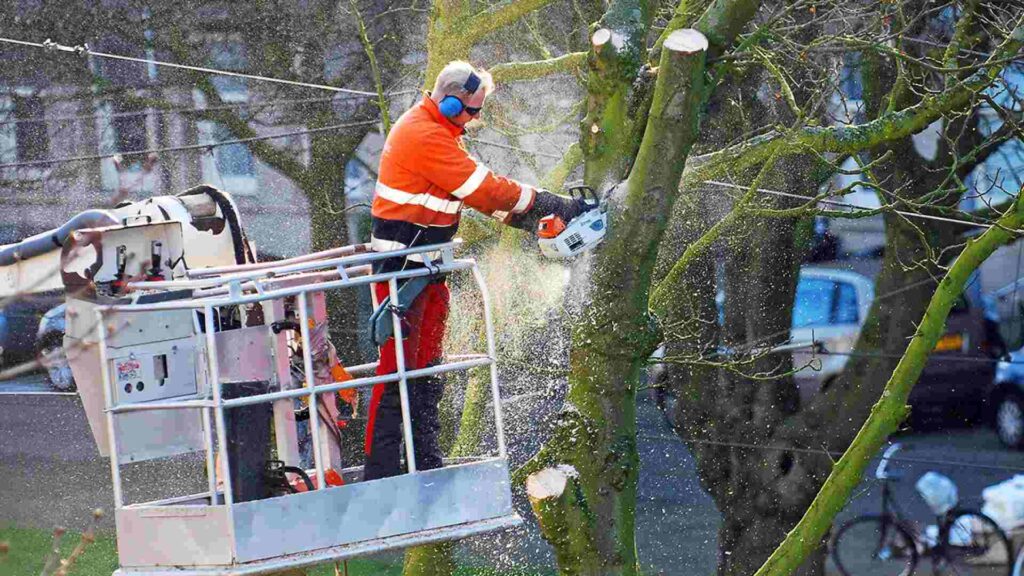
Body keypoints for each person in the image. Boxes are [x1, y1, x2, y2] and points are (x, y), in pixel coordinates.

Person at [363, 60, 583, 480]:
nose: (475, 120)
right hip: (400, 271)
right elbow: (483, 187)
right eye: (472, 110)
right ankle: (381, 473)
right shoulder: (423, 134)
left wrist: (532, 222)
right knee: (398, 370)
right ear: (449, 102)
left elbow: (477, 199)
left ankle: (424, 461)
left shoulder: (441, 134)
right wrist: (551, 202)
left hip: (427, 270)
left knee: (428, 366)